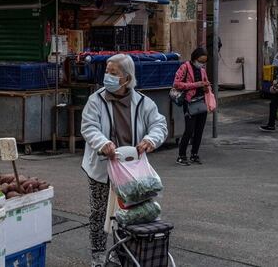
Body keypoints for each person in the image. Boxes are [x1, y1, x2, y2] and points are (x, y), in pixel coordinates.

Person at [81, 54, 168, 267]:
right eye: (107, 72)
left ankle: (121, 251)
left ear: (127, 79)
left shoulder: (142, 102)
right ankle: (98, 255)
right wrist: (103, 143)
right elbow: (89, 126)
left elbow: (159, 125)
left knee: (128, 213)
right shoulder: (96, 100)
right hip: (102, 168)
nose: (107, 77)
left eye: (114, 73)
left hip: (131, 171)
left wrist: (150, 140)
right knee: (99, 212)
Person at [174, 47, 212, 166]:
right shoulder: (184, 67)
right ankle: (181, 156)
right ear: (194, 58)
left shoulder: (202, 70)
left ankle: (194, 154)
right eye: (200, 61)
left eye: (204, 61)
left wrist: (206, 87)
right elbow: (176, 84)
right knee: (189, 130)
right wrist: (197, 84)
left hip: (201, 102)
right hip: (189, 103)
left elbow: (206, 83)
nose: (201, 64)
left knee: (199, 131)